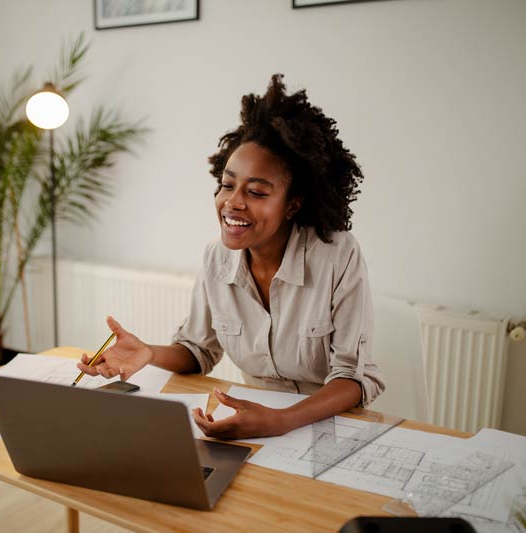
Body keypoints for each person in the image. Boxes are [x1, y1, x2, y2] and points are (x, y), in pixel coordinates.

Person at [76, 74, 384, 439]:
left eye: (255, 191)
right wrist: (147, 354)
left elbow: (351, 376)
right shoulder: (217, 258)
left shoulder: (337, 255)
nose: (232, 202)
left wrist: (281, 421)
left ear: (293, 205)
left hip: (327, 427)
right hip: (252, 422)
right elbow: (196, 351)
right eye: (226, 184)